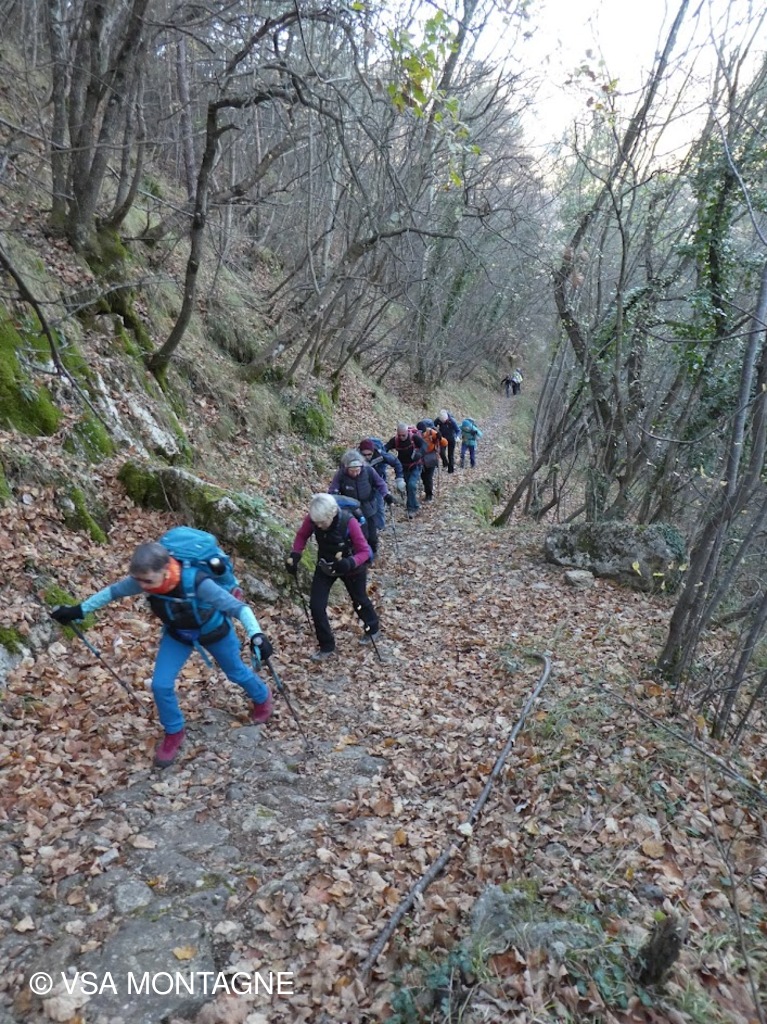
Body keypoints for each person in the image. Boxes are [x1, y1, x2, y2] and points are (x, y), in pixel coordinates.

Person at [50, 541, 274, 768]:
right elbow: (112, 593)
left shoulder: (197, 582)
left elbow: (239, 608)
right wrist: (78, 610)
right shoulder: (145, 580)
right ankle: (174, 731)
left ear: (166, 570)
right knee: (160, 685)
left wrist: (256, 634)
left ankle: (262, 697)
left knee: (235, 672)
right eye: (138, 580)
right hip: (178, 635)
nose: (142, 586)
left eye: (147, 581)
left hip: (215, 632)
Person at [286, 493, 380, 660]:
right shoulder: (314, 518)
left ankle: (372, 628)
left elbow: (365, 551)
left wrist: (350, 562)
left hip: (352, 567)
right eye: (316, 522)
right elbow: (302, 535)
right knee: (316, 605)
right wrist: (295, 554)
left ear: (332, 514)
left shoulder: (349, 522)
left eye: (322, 522)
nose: (319, 526)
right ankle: (326, 646)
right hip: (325, 565)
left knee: (359, 600)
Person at [328, 449, 393, 556]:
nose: (355, 473)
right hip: (351, 510)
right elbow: (333, 490)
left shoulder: (369, 471)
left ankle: (373, 553)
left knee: (372, 536)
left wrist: (386, 494)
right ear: (346, 468)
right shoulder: (341, 475)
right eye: (352, 471)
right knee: (357, 535)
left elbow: (380, 483)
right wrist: (333, 499)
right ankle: (359, 556)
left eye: (357, 470)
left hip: (369, 507)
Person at [359, 438, 405, 530]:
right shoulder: (355, 458)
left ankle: (380, 528)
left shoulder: (381, 454)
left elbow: (396, 462)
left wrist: (399, 478)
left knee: (378, 506)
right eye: (364, 455)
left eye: (369, 454)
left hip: (378, 483)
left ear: (373, 451)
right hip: (362, 485)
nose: (367, 457)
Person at [385, 422, 427, 518]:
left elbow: (424, 445)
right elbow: (386, 447)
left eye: (403, 435)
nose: (401, 437)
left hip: (415, 465)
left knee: (411, 485)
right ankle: (412, 505)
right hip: (403, 467)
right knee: (408, 486)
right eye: (399, 435)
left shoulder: (414, 438)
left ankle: (412, 509)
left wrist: (419, 454)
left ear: (407, 432)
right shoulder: (395, 440)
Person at [420, 423, 448, 502]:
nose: (422, 434)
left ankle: (429, 495)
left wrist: (440, 438)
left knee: (428, 477)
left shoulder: (431, 433)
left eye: (423, 432)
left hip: (431, 458)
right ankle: (427, 491)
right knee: (423, 477)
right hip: (421, 459)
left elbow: (445, 443)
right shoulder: (416, 434)